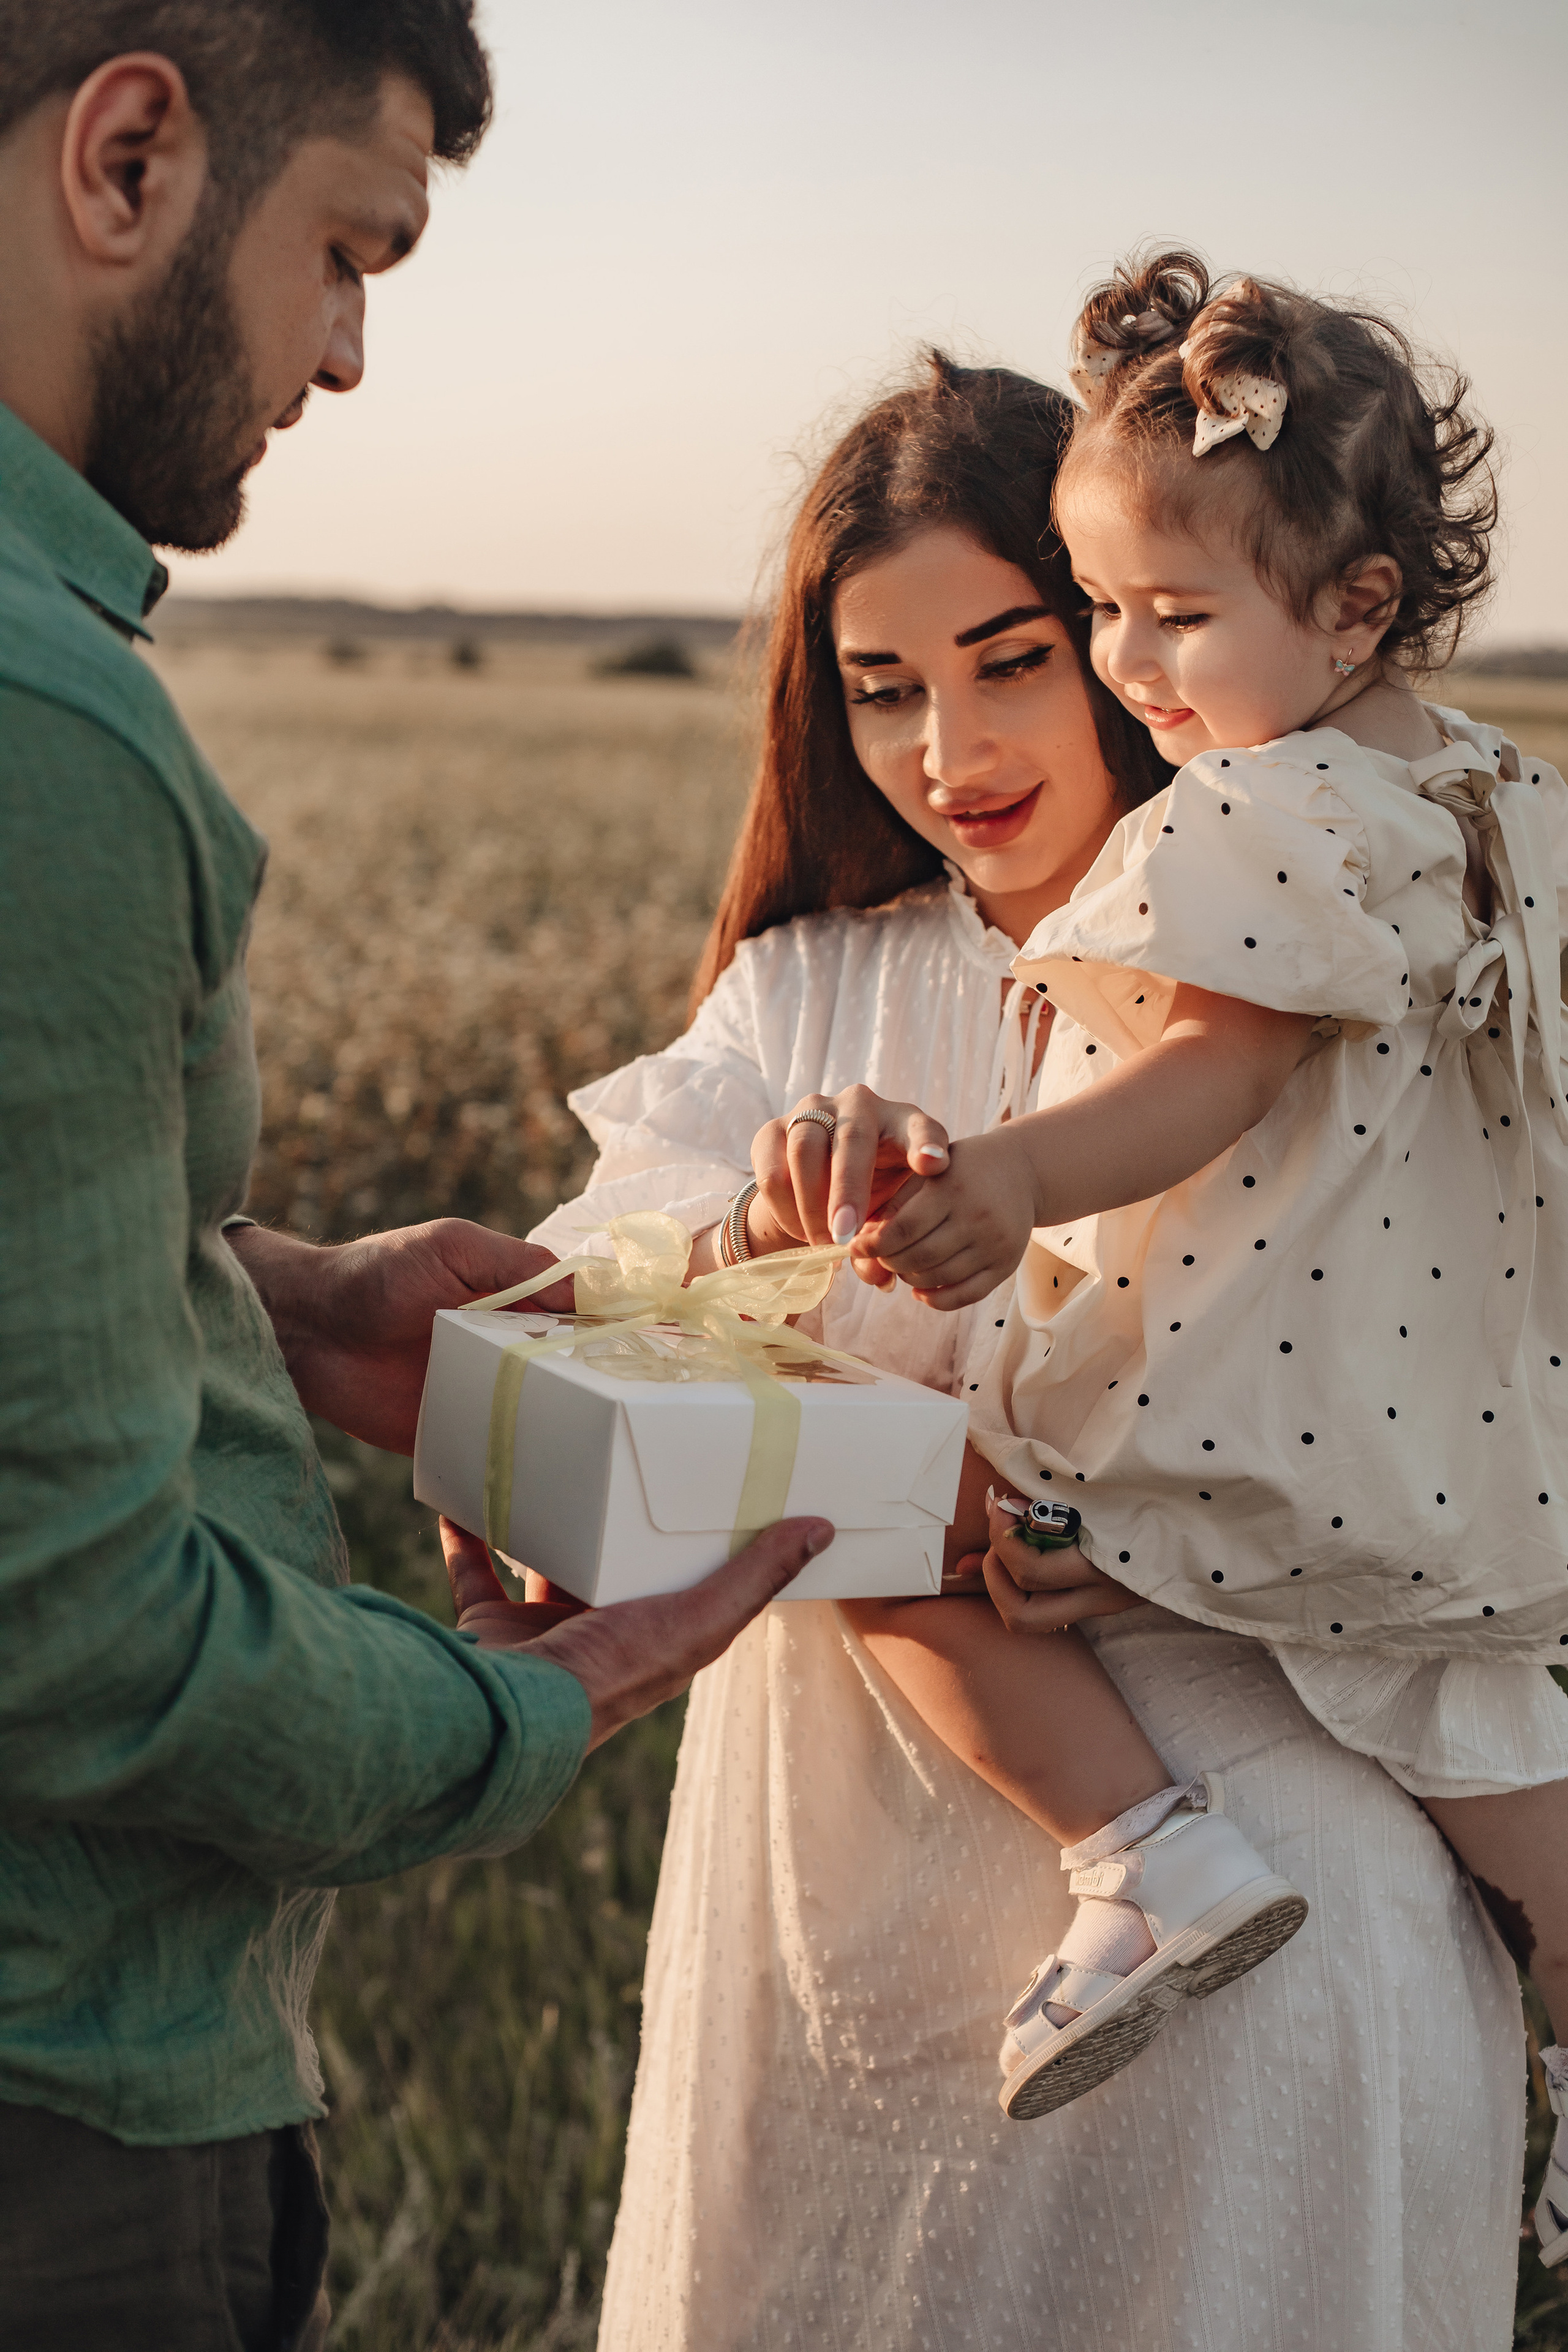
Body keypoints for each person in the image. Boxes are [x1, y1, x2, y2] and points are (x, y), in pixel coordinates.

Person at [528, 355, 1526, 2350]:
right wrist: (749, 1239)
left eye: (1010, 661)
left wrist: (1146, 1538)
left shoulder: (1298, 987)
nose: (949, 750)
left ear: (1135, 638)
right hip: (843, 1887)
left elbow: (1450, 1380)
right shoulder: (801, 997)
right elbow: (566, 1318)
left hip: (1264, 1825)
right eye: (883, 688)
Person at [0, 10, 827, 2348]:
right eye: (349, 252)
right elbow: (74, 1644)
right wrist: (531, 1709)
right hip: (58, 2107)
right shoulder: (49, 727)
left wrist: (265, 1293)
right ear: (130, 159)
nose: (349, 355)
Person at [772, 254, 1568, 2218]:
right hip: (1448, 1400)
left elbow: (1213, 1069)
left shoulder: (1255, 816)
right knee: (1496, 1760)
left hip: (1259, 1392)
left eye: (1175, 615)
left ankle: (1148, 1859)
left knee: (870, 1516)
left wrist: (1014, 1180)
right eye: (1102, 604)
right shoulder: (1492, 791)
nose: (1132, 663)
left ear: (1357, 603)